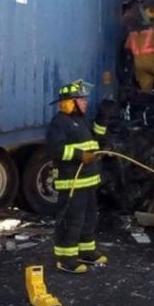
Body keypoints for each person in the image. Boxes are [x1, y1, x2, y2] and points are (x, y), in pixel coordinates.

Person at [46, 79, 108, 273]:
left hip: (87, 181)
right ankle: (66, 258)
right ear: (69, 102)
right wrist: (81, 155)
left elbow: (96, 139)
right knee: (72, 220)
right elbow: (56, 149)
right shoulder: (60, 123)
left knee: (89, 217)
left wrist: (103, 118)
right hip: (71, 181)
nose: (85, 102)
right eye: (81, 99)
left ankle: (86, 251)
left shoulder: (80, 121)